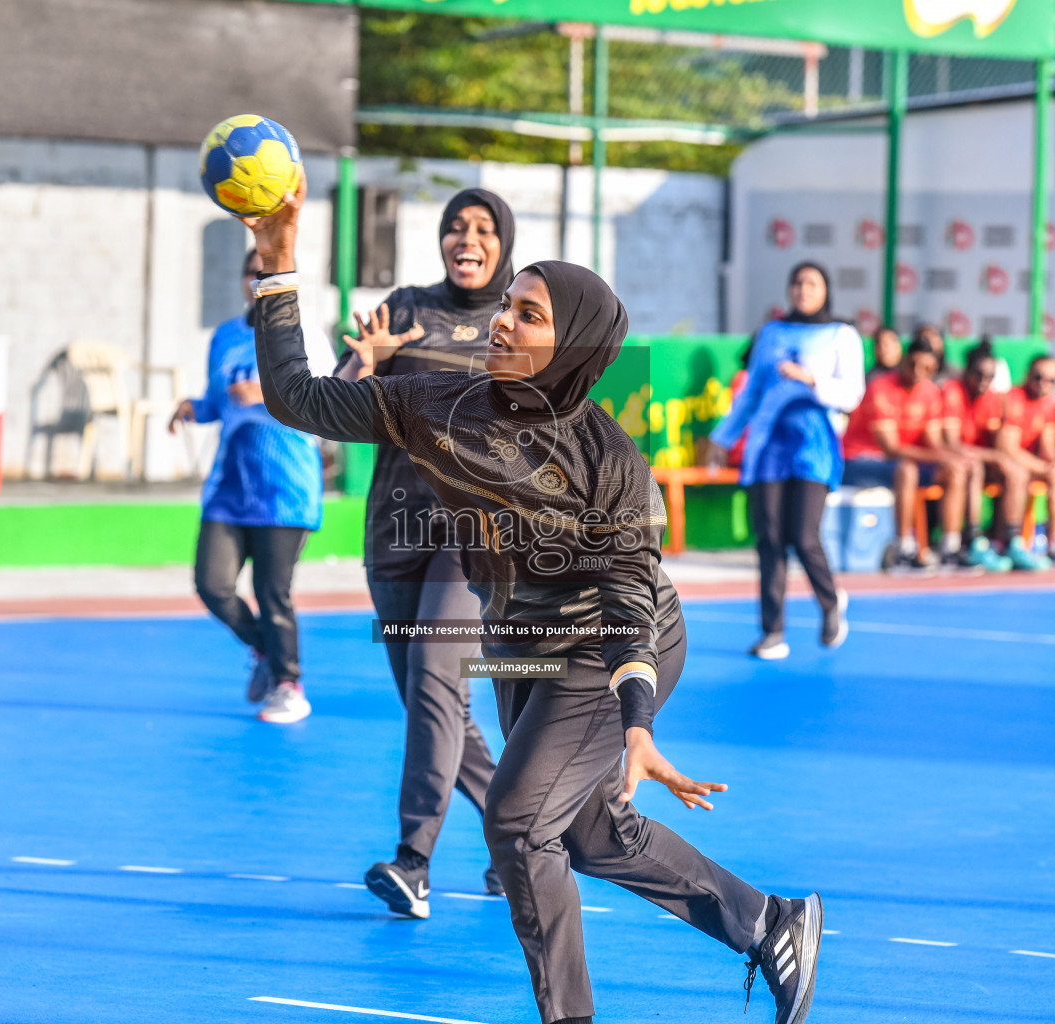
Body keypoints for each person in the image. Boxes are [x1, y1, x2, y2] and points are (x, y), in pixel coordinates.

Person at [244, 173, 823, 1024]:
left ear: (574, 345)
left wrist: (637, 719)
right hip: (525, 644)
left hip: (618, 643)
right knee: (584, 834)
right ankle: (770, 923)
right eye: (507, 306)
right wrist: (279, 267)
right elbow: (299, 397)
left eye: (528, 314)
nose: (503, 321)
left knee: (516, 824)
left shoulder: (607, 457)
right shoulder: (431, 400)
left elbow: (628, 587)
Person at [337, 189, 513, 915]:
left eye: (482, 228)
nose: (466, 239)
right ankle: (523, 837)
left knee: (437, 679)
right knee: (431, 700)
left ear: (504, 242)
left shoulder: (521, 322)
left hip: (474, 536)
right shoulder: (404, 310)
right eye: (454, 227)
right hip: (395, 529)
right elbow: (341, 411)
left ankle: (414, 860)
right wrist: (370, 363)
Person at [170, 247, 337, 723]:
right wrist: (195, 408)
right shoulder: (225, 336)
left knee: (271, 591)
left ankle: (289, 684)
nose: (256, 282)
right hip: (229, 486)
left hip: (286, 487)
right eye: (251, 273)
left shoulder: (306, 338)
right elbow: (222, 402)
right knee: (212, 585)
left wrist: (266, 393)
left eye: (268, 275)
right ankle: (266, 648)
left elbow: (325, 402)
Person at [707, 261, 863, 661]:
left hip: (813, 445)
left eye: (811, 283)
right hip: (767, 446)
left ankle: (830, 602)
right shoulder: (772, 333)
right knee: (769, 539)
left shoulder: (841, 335)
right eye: (797, 283)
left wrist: (812, 380)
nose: (803, 290)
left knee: (804, 535)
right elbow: (752, 392)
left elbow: (852, 394)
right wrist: (723, 437)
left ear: (826, 289)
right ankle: (772, 632)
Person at [842, 336, 970, 571]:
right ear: (903, 361)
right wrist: (943, 456)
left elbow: (932, 442)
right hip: (858, 460)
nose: (918, 371)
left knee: (955, 472)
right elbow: (891, 449)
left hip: (904, 461)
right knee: (907, 470)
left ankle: (950, 547)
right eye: (913, 364)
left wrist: (953, 459)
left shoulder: (930, 391)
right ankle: (904, 549)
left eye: (927, 367)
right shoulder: (880, 387)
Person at [940, 341, 1047, 571]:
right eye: (978, 374)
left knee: (1017, 471)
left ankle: (1012, 541)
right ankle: (973, 542)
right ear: (967, 372)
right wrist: (994, 456)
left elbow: (998, 444)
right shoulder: (951, 391)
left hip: (981, 460)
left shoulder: (993, 398)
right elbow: (952, 444)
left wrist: (1001, 448)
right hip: (950, 462)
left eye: (990, 376)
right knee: (975, 466)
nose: (983, 381)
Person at [996, 355, 1055, 562]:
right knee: (1017, 474)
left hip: (1028, 464)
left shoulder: (1050, 403)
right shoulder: (1012, 398)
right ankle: (1013, 542)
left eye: (1051, 380)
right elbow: (1007, 449)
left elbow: (1048, 445)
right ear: (1028, 375)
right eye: (1038, 377)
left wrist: (1054, 464)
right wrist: (1042, 467)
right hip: (999, 465)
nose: (1043, 384)